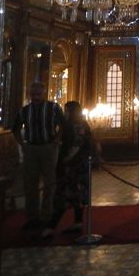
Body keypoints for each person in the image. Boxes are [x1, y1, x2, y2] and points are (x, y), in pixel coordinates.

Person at [11, 81, 64, 229]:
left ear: (44, 94)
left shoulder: (53, 108)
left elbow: (63, 125)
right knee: (30, 182)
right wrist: (23, 144)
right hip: (31, 148)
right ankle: (32, 215)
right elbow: (15, 129)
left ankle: (47, 214)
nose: (36, 97)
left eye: (38, 94)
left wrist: (56, 141)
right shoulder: (24, 111)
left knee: (49, 182)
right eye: (33, 94)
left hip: (48, 147)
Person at [41, 101, 94, 239]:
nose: (65, 113)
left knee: (64, 195)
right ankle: (77, 222)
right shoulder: (77, 124)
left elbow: (77, 143)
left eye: (67, 111)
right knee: (77, 195)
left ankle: (51, 227)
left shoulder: (77, 125)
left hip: (73, 166)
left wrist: (67, 159)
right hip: (79, 165)